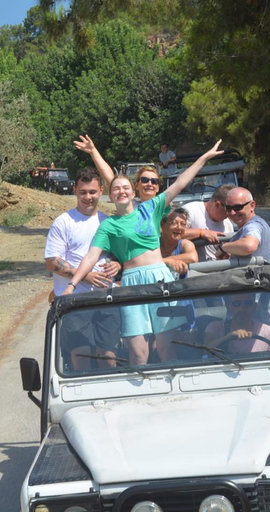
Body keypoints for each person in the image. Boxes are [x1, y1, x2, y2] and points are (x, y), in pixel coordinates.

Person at [62, 139, 224, 365]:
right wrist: (71, 285)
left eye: (125, 187)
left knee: (167, 348)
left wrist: (204, 158)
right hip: (131, 284)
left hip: (159, 278)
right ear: (109, 193)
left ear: (132, 190)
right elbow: (91, 256)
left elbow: (180, 182)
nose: (121, 191)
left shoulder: (151, 208)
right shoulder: (108, 225)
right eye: (116, 189)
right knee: (138, 353)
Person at [44, 167, 121, 370]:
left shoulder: (109, 222)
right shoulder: (64, 222)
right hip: (75, 302)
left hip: (106, 299)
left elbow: (121, 256)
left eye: (93, 192)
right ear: (75, 190)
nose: (88, 197)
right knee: (81, 358)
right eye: (83, 192)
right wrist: (84, 277)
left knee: (109, 358)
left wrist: (118, 264)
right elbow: (52, 261)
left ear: (101, 191)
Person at [73, 135, 159, 206]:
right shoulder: (131, 206)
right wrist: (93, 152)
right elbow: (110, 178)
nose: (149, 184)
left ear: (158, 187)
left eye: (154, 181)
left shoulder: (164, 207)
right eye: (145, 180)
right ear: (137, 185)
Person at [204, 293, 270, 352]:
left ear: (254, 307)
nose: (242, 308)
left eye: (247, 303)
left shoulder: (268, 332)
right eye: (236, 303)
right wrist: (228, 337)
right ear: (229, 306)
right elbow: (206, 351)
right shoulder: (216, 327)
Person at [217, 187, 270, 263]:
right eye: (228, 208)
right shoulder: (251, 224)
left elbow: (249, 246)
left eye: (238, 207)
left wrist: (223, 248)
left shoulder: (254, 226)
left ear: (252, 206)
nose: (232, 212)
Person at [182, 184, 236, 262]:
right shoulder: (190, 211)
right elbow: (170, 235)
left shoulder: (227, 224)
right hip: (194, 271)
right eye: (229, 209)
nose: (232, 213)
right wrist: (201, 233)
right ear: (217, 204)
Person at [159, 208, 198, 279]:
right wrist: (167, 261)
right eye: (174, 223)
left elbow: (193, 258)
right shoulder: (154, 244)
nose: (179, 227)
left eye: (183, 224)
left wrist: (165, 260)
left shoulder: (185, 244)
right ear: (162, 224)